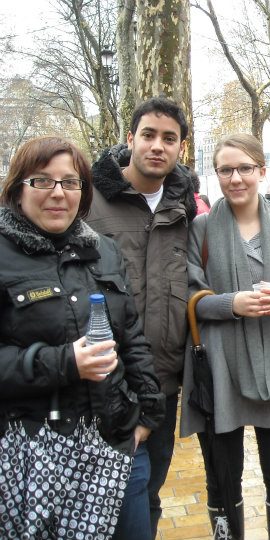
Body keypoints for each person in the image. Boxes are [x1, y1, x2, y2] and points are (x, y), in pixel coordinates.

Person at [0, 137, 164, 536]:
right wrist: (64, 363)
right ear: (18, 189)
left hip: (117, 444)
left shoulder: (104, 250)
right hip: (35, 455)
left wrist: (147, 412)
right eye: (42, 181)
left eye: (70, 183)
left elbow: (132, 338)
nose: (58, 193)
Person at [179, 133, 270, 540]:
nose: (235, 178)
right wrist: (228, 304)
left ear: (261, 171)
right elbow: (187, 297)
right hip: (220, 368)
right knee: (222, 477)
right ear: (216, 173)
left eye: (244, 169)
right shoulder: (200, 229)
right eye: (226, 170)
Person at [87, 96, 196, 539]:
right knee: (103, 502)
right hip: (100, 386)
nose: (157, 146)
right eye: (148, 135)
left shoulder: (185, 208)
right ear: (130, 138)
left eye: (169, 138)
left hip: (163, 385)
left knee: (149, 493)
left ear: (181, 148)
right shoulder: (87, 202)